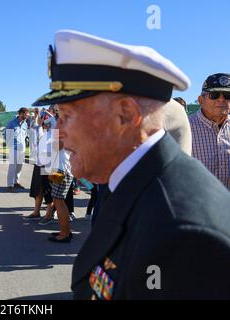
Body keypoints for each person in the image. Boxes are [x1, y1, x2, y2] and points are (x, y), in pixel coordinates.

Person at [33, 30, 230, 299]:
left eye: (68, 115)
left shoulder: (185, 232)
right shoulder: (130, 183)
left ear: (126, 115)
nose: (60, 132)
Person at [189, 73, 230, 189]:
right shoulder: (185, 127)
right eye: (214, 95)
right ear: (201, 100)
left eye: (227, 95)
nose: (221, 99)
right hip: (198, 204)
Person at [5, 107, 29, 192]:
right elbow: (7, 136)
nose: (27, 116)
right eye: (26, 114)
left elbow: (25, 135)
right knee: (12, 166)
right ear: (21, 114)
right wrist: (11, 146)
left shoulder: (25, 124)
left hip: (22, 148)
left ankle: (16, 182)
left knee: (19, 166)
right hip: (14, 148)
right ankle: (10, 185)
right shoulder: (11, 123)